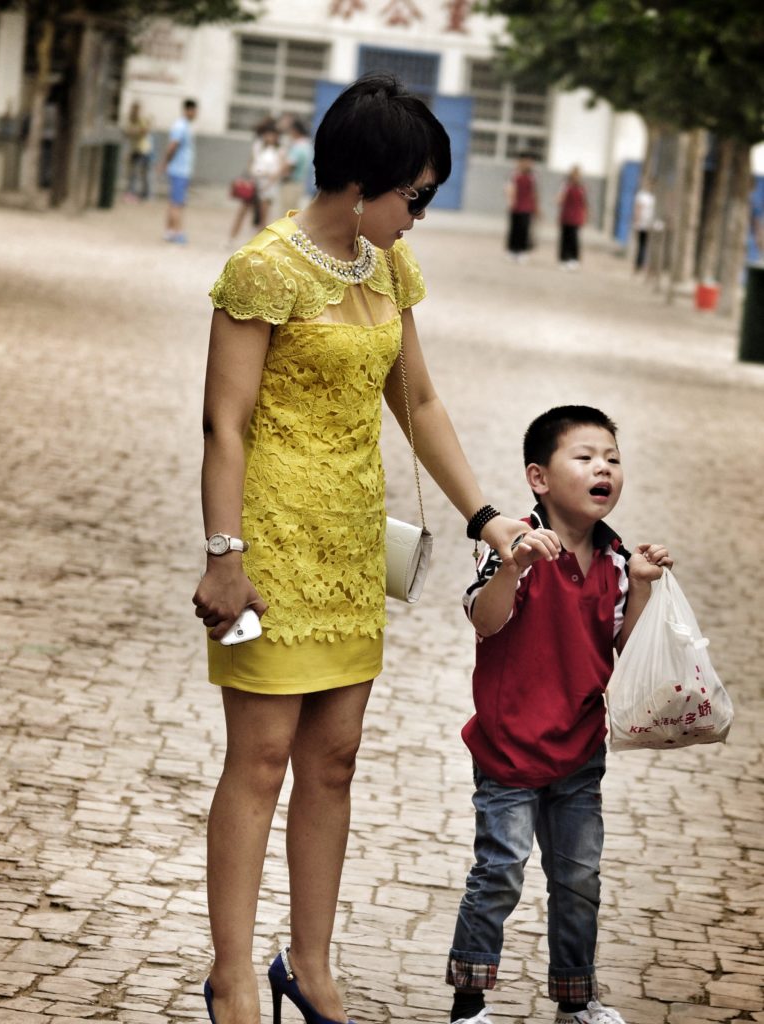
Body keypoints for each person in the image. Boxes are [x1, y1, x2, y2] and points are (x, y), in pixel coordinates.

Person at [192, 73, 560, 1024]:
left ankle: (307, 967)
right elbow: (222, 425)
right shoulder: (262, 270)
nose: (418, 218)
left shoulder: (387, 270)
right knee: (260, 757)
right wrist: (223, 554)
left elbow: (418, 401)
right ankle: (232, 976)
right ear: (363, 183)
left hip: (355, 545)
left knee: (336, 757)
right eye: (416, 198)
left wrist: (488, 517)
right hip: (265, 550)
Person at [446, 405, 673, 1024]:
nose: (603, 468)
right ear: (538, 478)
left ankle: (576, 1000)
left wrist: (646, 584)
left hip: (578, 749)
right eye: (585, 457)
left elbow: (624, 646)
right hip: (509, 747)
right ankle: (469, 1003)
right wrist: (516, 567)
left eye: (613, 459)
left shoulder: (618, 558)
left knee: (579, 882)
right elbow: (484, 621)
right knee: (500, 873)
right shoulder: (511, 545)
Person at [228, 120, 283, 245]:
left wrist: (267, 185)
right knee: (242, 211)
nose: (269, 137)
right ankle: (231, 238)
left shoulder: (279, 151)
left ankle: (259, 244)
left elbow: (277, 171)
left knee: (263, 216)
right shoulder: (258, 146)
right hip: (254, 182)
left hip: (267, 185)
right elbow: (251, 163)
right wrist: (250, 177)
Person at [160, 97, 197, 243]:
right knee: (178, 203)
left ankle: (169, 231)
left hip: (180, 169)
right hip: (179, 170)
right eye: (194, 111)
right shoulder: (181, 126)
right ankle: (177, 232)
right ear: (189, 110)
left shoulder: (184, 125)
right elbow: (173, 145)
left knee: (173, 201)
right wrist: (165, 162)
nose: (195, 114)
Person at [505, 153, 539, 262]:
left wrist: (537, 207)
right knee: (514, 229)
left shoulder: (533, 176)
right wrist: (510, 201)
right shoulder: (514, 174)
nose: (527, 164)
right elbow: (509, 188)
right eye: (525, 161)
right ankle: (512, 250)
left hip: (527, 207)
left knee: (524, 229)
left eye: (529, 162)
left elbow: (535, 192)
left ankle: (522, 251)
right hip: (515, 206)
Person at [279, 117, 314, 216]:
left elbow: (289, 165)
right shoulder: (307, 145)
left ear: (295, 131)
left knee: (286, 215)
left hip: (291, 184)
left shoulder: (298, 146)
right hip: (300, 184)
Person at [556, 166, 587, 269]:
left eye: (577, 175)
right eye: (574, 174)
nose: (576, 177)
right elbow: (560, 199)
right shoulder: (565, 185)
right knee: (565, 238)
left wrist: (585, 215)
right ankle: (563, 259)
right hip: (566, 216)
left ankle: (574, 259)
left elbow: (585, 203)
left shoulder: (582, 188)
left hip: (576, 217)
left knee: (574, 239)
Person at [123, 100, 153, 201]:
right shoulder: (131, 120)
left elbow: (145, 131)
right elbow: (127, 132)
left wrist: (135, 131)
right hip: (135, 149)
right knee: (134, 173)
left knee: (145, 173)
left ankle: (146, 194)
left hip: (144, 149)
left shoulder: (141, 119)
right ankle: (132, 192)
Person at [632, 179, 656, 272]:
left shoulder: (653, 197)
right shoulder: (642, 196)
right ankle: (639, 264)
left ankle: (644, 264)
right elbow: (638, 209)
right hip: (642, 224)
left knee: (646, 245)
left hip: (649, 224)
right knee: (641, 245)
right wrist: (637, 221)